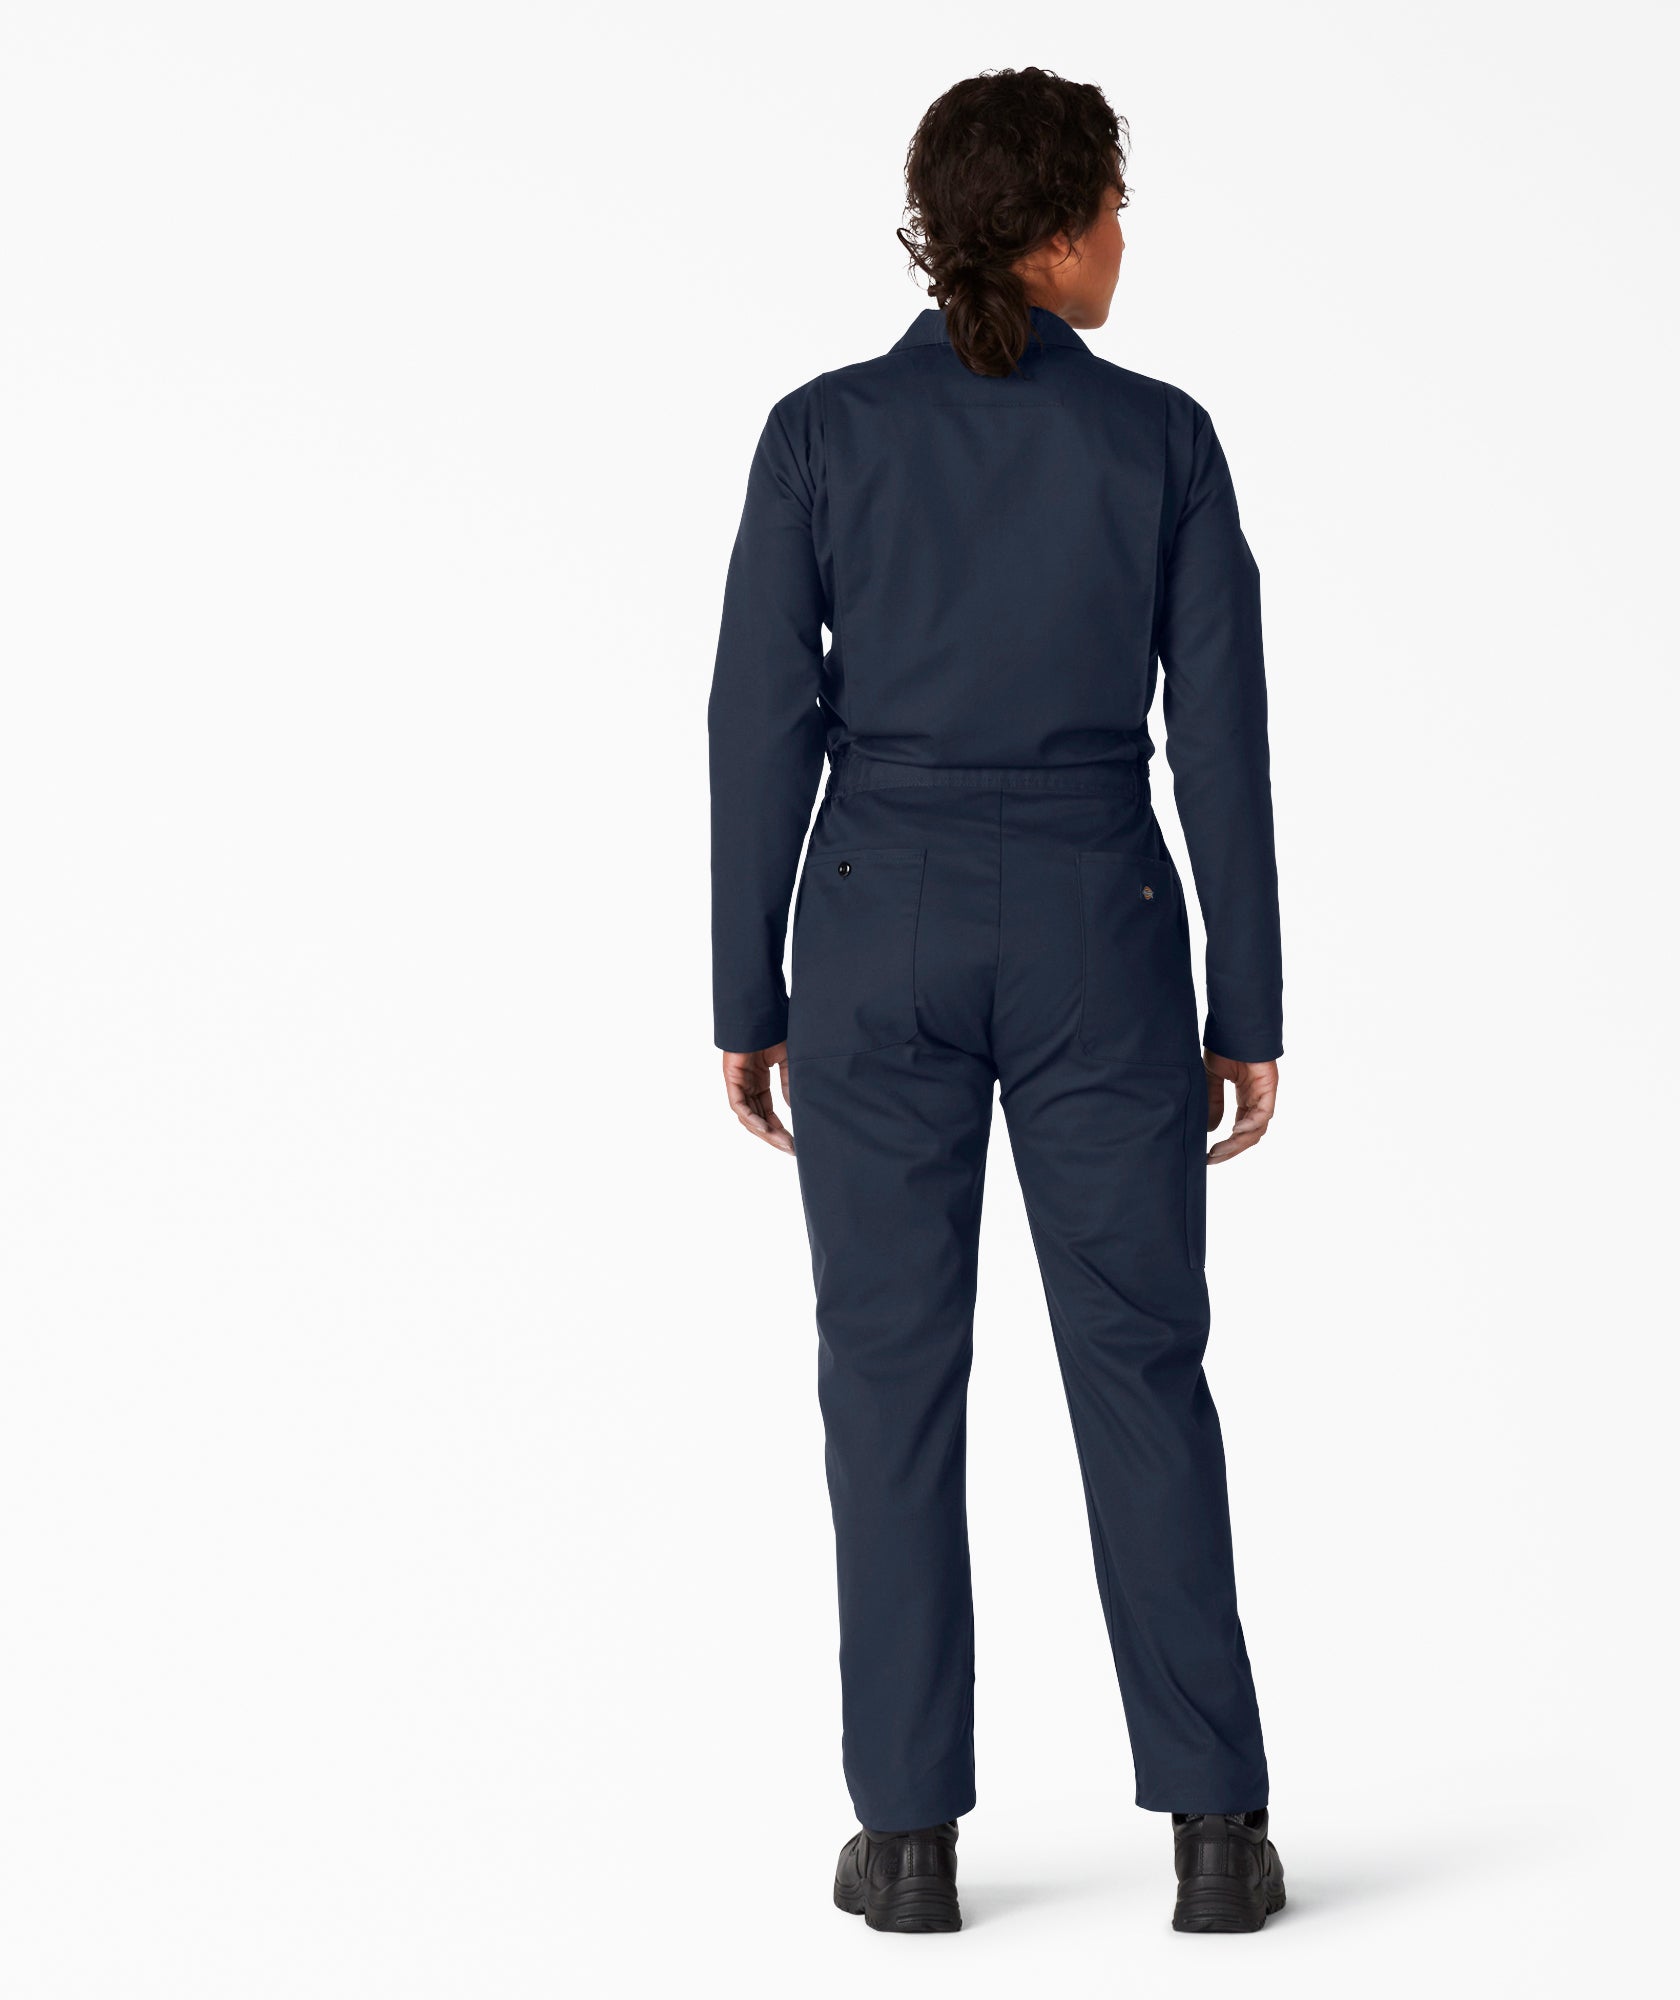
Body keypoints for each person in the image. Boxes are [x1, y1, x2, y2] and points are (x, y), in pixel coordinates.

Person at [708, 66, 1285, 1935]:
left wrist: (747, 987)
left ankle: (907, 1846)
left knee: (887, 1381)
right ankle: (1216, 1835)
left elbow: (757, 725)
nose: (1125, 234)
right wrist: (1246, 1000)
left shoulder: (821, 434)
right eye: (1111, 201)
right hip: (1100, 926)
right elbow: (1220, 738)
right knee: (1142, 1364)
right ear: (1052, 228)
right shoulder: (1160, 441)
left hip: (874, 926)